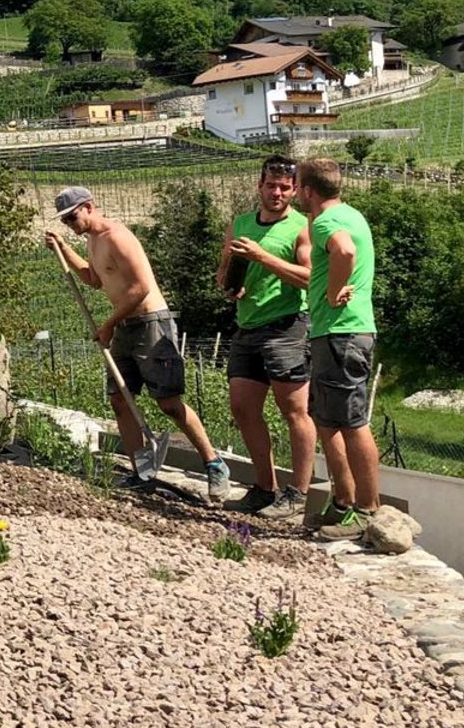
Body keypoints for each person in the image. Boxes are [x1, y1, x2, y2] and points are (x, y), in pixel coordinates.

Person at [45, 186, 231, 502]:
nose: (70, 225)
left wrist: (108, 325)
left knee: (168, 403)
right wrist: (63, 249)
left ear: (89, 207)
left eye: (72, 218)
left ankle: (214, 464)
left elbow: (140, 288)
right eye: (65, 222)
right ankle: (141, 472)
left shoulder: (117, 237)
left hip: (151, 323)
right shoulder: (92, 240)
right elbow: (93, 278)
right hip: (125, 325)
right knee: (120, 398)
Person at [216, 156, 315, 520]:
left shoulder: (300, 227)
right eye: (271, 186)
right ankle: (263, 487)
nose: (277, 193)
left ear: (293, 192)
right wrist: (228, 286)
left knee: (294, 411)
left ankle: (299, 493)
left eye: (284, 188)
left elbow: (308, 277)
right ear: (259, 186)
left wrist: (262, 257)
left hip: (286, 325)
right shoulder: (240, 224)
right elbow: (223, 271)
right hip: (247, 325)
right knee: (243, 407)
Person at [291, 158, 383, 539]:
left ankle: (367, 509)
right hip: (342, 334)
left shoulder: (327, 221)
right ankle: (342, 503)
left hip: (342, 334)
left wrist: (330, 293)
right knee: (329, 422)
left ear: (309, 191)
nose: (295, 191)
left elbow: (343, 252)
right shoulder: (352, 214)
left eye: (296, 185)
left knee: (352, 423)